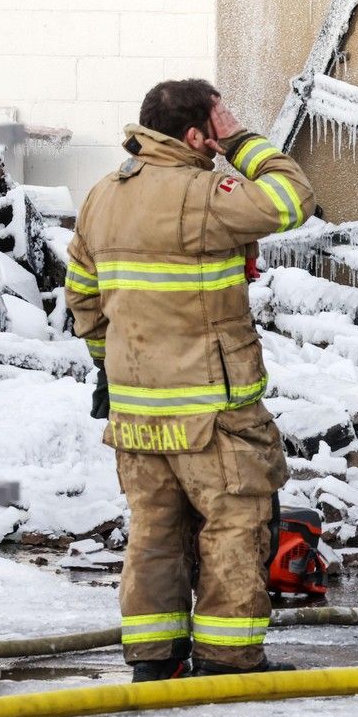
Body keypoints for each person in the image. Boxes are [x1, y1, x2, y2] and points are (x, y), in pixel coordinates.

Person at [64, 79, 316, 681]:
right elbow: (292, 198)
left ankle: (154, 661)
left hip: (136, 416)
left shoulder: (103, 194)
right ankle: (227, 662)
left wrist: (109, 365)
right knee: (233, 528)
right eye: (217, 123)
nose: (223, 131)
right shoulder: (206, 192)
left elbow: (84, 296)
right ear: (197, 134)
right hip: (214, 416)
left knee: (154, 533)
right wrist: (242, 141)